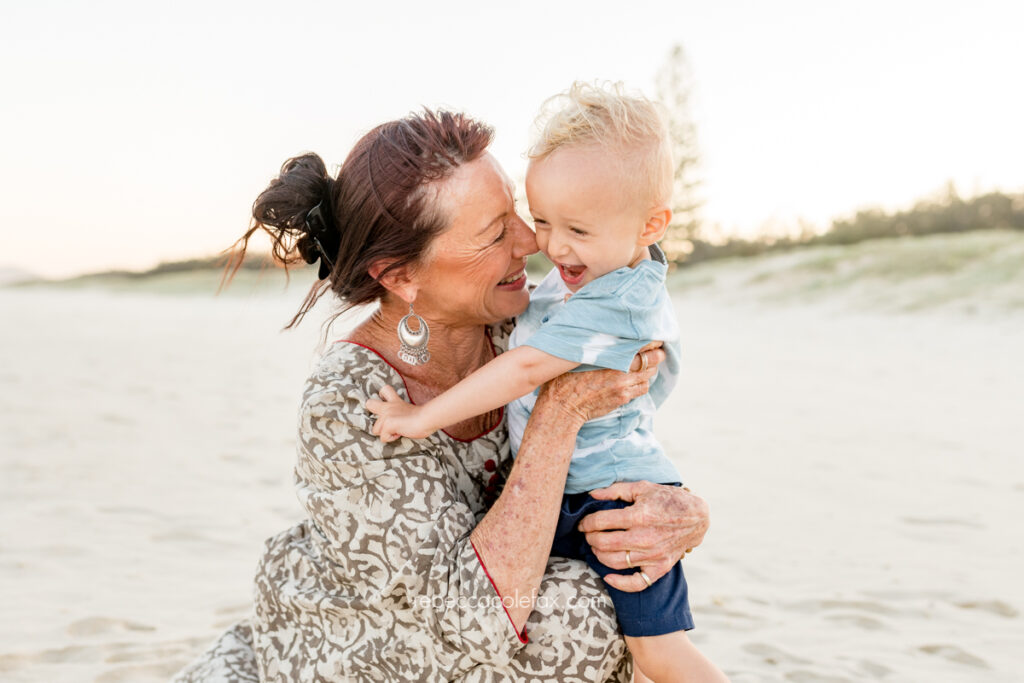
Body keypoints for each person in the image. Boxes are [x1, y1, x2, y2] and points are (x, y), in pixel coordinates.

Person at [172, 109, 711, 682]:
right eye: (495, 232)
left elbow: (619, 447)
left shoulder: (526, 325)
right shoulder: (350, 403)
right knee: (583, 612)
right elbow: (476, 618)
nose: (532, 242)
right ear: (402, 276)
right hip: (366, 640)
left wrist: (683, 515)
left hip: (486, 613)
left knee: (620, 590)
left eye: (517, 215)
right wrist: (562, 410)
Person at [367, 83, 726, 683]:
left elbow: (527, 367)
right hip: (563, 491)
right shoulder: (584, 275)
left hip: (614, 497)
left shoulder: (621, 298)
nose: (550, 246)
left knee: (657, 654)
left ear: (651, 226)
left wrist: (416, 417)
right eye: (541, 221)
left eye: (577, 230)